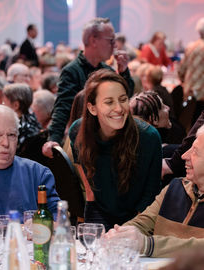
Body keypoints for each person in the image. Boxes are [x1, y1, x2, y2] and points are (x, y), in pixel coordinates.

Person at [68, 69, 162, 231]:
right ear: (92, 108)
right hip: (98, 210)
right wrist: (91, 200)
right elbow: (83, 170)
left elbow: (149, 196)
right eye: (109, 102)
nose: (119, 108)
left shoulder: (148, 137)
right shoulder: (78, 131)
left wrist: (129, 231)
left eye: (123, 99)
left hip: (137, 218)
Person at [106, 124, 204, 257]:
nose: (184, 156)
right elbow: (142, 223)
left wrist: (148, 245)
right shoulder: (176, 188)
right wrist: (121, 234)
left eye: (195, 152)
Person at [43, 17, 135, 157]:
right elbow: (63, 107)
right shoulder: (72, 71)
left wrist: (124, 72)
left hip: (109, 138)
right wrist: (54, 139)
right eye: (110, 40)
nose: (114, 45)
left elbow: (125, 99)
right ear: (93, 41)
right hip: (85, 144)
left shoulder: (107, 70)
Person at [2, 83, 41, 155]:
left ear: (16, 105)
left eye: (4, 103)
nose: (2, 105)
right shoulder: (32, 118)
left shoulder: (20, 128)